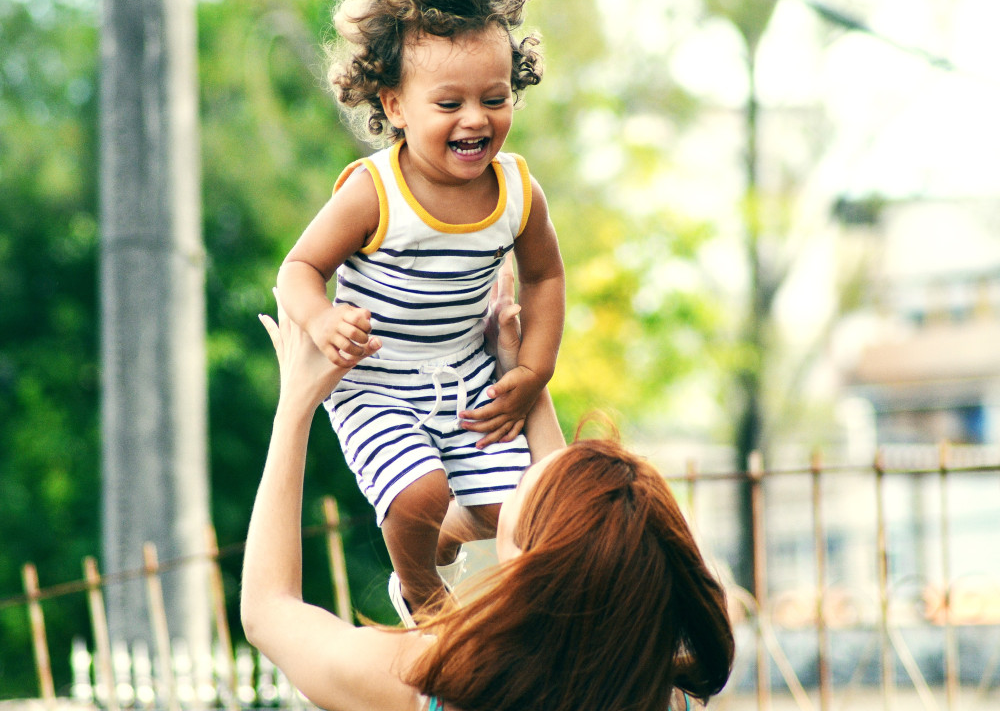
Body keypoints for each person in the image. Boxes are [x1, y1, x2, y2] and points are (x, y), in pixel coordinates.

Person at [243, 281, 735, 711]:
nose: (522, 471)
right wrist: (519, 373)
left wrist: (295, 406)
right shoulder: (663, 696)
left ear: (528, 566)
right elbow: (571, 533)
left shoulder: (426, 684)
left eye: (522, 485)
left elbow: (269, 611)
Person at [276, 0, 565, 622]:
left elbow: (547, 279)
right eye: (449, 104)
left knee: (514, 512)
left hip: (465, 373)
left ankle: (446, 534)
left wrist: (532, 371)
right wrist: (322, 319)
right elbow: (298, 268)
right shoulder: (375, 193)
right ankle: (423, 596)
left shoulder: (518, 191)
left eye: (494, 98)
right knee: (417, 494)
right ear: (394, 106)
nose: (476, 119)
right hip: (377, 380)